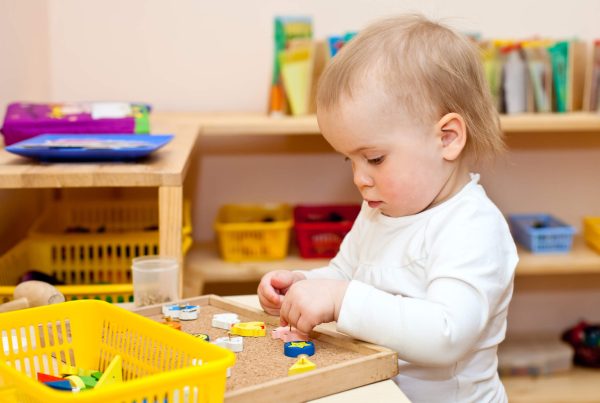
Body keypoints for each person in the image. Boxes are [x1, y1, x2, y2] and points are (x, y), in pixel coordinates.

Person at [258, 14, 518, 403]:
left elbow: (446, 334)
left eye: (375, 159)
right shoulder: (381, 208)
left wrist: (341, 299)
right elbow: (345, 273)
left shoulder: (472, 228)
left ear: (447, 138)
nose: (360, 178)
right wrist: (303, 284)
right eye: (351, 161)